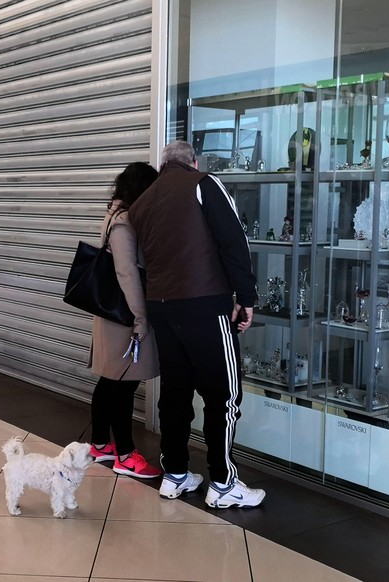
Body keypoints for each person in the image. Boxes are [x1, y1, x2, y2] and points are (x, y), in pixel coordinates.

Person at [128, 141, 265, 508]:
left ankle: (174, 474)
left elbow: (144, 260)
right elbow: (233, 241)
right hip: (205, 306)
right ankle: (222, 483)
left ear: (163, 165)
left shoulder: (142, 202)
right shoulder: (204, 184)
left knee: (176, 392)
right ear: (193, 161)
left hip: (162, 307)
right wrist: (246, 298)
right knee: (224, 395)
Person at [88, 162, 162, 479]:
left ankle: (101, 444)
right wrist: (141, 317)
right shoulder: (124, 222)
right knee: (124, 383)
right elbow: (126, 272)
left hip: (114, 313)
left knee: (109, 380)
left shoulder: (117, 215)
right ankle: (126, 455)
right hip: (124, 316)